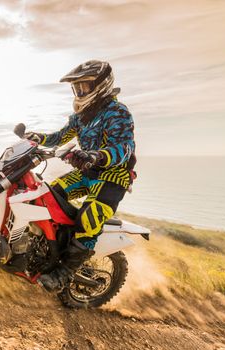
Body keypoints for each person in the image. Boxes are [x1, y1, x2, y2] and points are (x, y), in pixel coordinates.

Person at [24, 60, 137, 292]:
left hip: (112, 176)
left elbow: (124, 147)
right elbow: (60, 136)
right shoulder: (81, 116)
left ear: (101, 85)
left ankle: (64, 274)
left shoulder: (118, 112)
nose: (79, 92)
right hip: (87, 172)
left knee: (89, 218)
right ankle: (46, 250)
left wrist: (96, 156)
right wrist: (39, 138)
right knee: (47, 196)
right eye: (77, 88)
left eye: (84, 86)